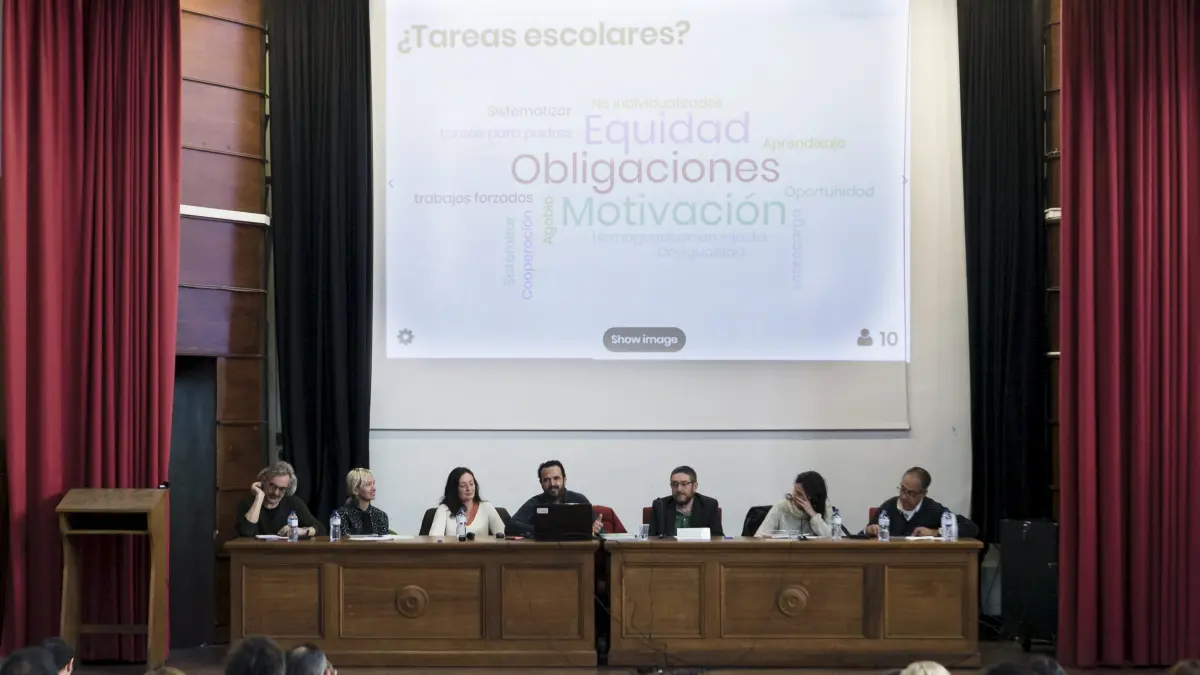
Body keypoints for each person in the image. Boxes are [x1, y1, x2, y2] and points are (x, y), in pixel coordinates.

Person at [864, 467, 979, 539]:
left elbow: (971, 528)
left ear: (923, 493)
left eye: (911, 493)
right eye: (902, 489)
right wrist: (869, 530)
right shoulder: (889, 507)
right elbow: (862, 535)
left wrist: (935, 532)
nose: (903, 496)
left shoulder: (933, 509)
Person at [509, 460, 602, 537]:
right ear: (541, 483)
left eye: (556, 478)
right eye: (546, 480)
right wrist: (541, 531)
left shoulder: (579, 500)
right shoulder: (535, 503)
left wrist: (597, 529)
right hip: (544, 551)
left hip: (576, 551)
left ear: (564, 480)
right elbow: (511, 525)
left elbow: (598, 529)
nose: (552, 484)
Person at [235, 461, 325, 538]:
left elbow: (321, 530)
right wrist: (259, 497)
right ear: (263, 481)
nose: (276, 493)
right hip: (256, 552)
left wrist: (302, 531)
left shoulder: (293, 503)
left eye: (282, 489)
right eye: (272, 486)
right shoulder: (249, 502)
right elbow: (246, 532)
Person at [647, 466, 724, 537]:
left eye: (684, 484)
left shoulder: (709, 506)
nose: (679, 489)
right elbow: (651, 539)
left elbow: (717, 538)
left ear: (694, 486)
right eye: (675, 484)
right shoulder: (660, 506)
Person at [428, 467, 506, 537]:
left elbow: (503, 536)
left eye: (471, 484)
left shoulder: (487, 507)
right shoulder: (444, 510)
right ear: (454, 489)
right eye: (463, 485)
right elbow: (433, 540)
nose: (469, 489)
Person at [754, 471, 835, 537]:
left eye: (799, 494)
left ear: (812, 497)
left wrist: (813, 514)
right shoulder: (781, 507)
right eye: (794, 491)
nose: (794, 496)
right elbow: (759, 536)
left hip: (812, 552)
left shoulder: (825, 508)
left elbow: (831, 539)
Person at [335, 468, 389, 536]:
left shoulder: (381, 515)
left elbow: (384, 542)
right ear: (355, 489)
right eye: (368, 484)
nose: (374, 488)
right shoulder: (342, 515)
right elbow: (344, 541)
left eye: (373, 483)